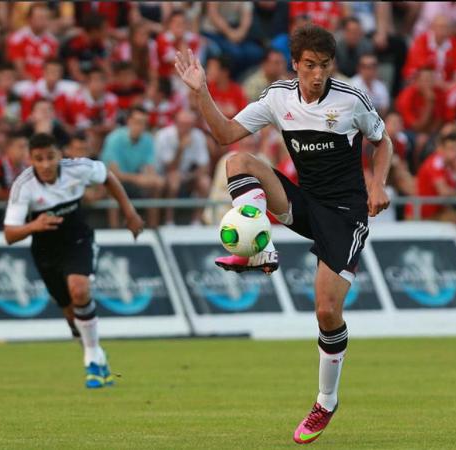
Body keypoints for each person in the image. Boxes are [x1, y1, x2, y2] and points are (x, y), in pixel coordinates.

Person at [175, 24, 392, 444]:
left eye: (324, 66)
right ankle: (261, 247)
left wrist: (377, 184)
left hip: (345, 214)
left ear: (332, 66)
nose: (316, 75)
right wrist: (201, 91)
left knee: (327, 312)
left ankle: (326, 401)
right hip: (305, 201)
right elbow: (224, 135)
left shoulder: (351, 101)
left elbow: (383, 143)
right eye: (309, 65)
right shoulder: (278, 97)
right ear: (295, 65)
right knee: (239, 162)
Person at [3, 133, 144, 388]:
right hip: (46, 251)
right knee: (71, 314)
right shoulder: (23, 185)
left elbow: (108, 177)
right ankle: (97, 354)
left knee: (79, 290)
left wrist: (129, 212)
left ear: (61, 155)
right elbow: (10, 234)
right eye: (39, 159)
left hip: (77, 240)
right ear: (30, 160)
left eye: (50, 157)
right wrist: (34, 225)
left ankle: (90, 359)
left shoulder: (78, 168)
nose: (45, 164)